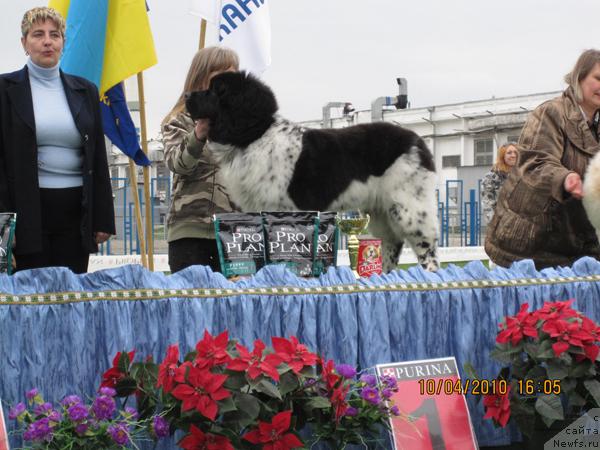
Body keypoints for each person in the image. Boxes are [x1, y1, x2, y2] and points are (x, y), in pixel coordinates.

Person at [0, 7, 115, 274]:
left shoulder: (85, 90)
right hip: (26, 210)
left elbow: (98, 157)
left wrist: (103, 218)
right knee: (32, 297)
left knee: (70, 295)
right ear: (24, 43)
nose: (47, 41)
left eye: (55, 35)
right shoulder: (5, 90)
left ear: (63, 41)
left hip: (76, 212)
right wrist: (4, 220)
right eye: (38, 34)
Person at [485, 49, 600, 269]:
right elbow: (535, 162)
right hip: (528, 245)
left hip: (578, 246)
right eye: (598, 78)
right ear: (579, 77)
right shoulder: (551, 112)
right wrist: (565, 179)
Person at [162, 47, 239, 273]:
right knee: (193, 304)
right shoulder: (179, 120)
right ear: (201, 79)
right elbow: (178, 164)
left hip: (234, 232)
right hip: (190, 231)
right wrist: (198, 133)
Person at [481, 143, 519, 222]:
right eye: (509, 153)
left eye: (515, 152)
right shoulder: (491, 177)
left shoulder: (522, 175)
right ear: (502, 156)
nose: (513, 155)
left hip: (521, 225)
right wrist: (495, 225)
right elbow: (487, 204)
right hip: (501, 225)